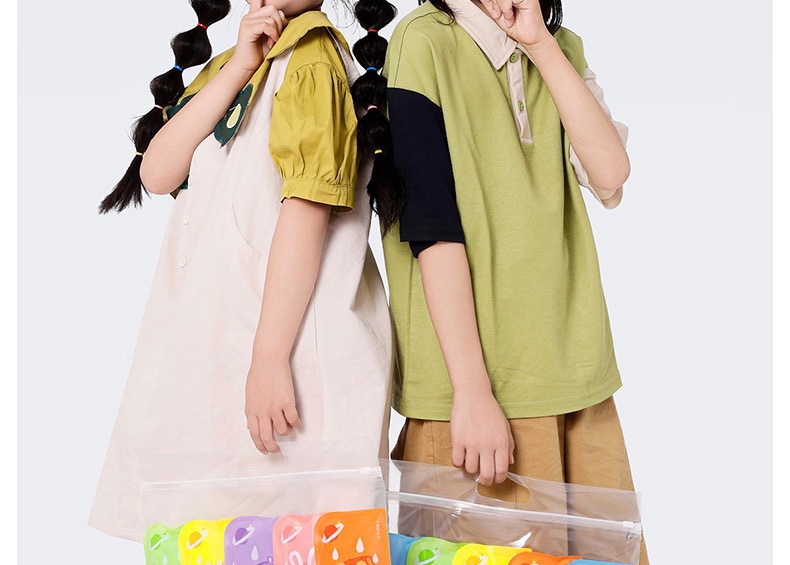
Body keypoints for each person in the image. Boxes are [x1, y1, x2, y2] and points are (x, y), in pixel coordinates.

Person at [89, 0, 396, 541]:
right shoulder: (245, 59)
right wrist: (239, 64)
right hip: (234, 341)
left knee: (288, 535)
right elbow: (157, 173)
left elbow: (307, 209)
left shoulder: (312, 59)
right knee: (226, 537)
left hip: (288, 352)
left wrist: (269, 359)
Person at [376, 0, 648, 562]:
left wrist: (541, 46)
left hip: (578, 380)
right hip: (475, 395)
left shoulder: (559, 45)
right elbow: (432, 231)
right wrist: (472, 394)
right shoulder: (423, 41)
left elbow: (610, 172)